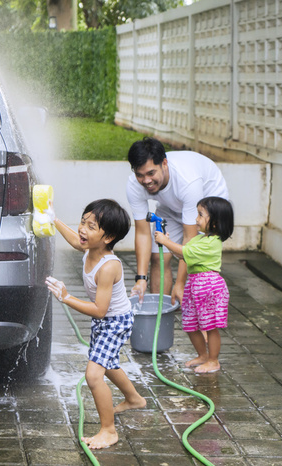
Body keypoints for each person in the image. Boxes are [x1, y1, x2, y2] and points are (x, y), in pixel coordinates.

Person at [46, 199, 146, 450]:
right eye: (83, 222)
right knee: (107, 363)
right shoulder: (91, 249)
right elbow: (73, 239)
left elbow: (100, 311)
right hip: (108, 320)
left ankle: (109, 431)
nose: (82, 229)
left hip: (115, 321)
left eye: (91, 227)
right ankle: (134, 399)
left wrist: (66, 297)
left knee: (93, 375)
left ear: (108, 237)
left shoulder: (109, 266)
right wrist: (53, 219)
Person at [126, 137, 229, 305]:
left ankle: (203, 308)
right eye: (140, 175)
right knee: (159, 258)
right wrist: (141, 278)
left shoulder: (187, 181)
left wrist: (180, 284)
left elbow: (190, 240)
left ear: (164, 164)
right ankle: (161, 310)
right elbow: (143, 232)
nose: (146, 181)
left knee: (200, 265)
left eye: (151, 173)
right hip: (171, 206)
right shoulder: (134, 185)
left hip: (207, 205)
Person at [153, 196, 234, 373]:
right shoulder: (199, 239)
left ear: (215, 222)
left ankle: (213, 360)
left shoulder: (212, 243)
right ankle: (203, 355)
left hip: (210, 288)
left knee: (210, 327)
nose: (196, 219)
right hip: (194, 286)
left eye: (200, 215)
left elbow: (184, 251)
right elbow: (183, 255)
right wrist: (168, 244)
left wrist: (166, 242)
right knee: (190, 323)